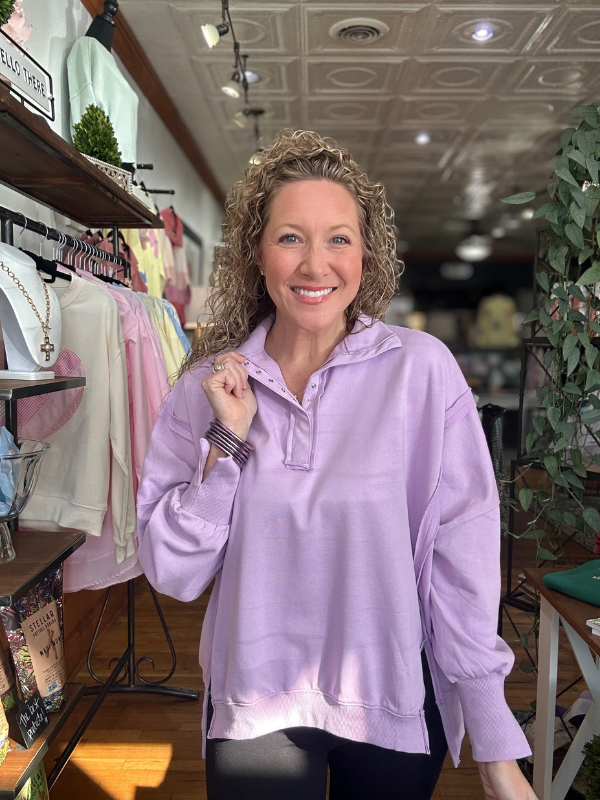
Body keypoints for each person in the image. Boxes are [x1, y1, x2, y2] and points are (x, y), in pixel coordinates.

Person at [137, 130, 536, 800]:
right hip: (254, 706)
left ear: (366, 254)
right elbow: (174, 571)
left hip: (393, 701)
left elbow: (460, 559)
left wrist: (495, 743)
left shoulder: (422, 371)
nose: (315, 264)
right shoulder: (208, 386)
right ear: (257, 255)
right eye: (291, 237)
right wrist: (228, 444)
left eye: (339, 239)